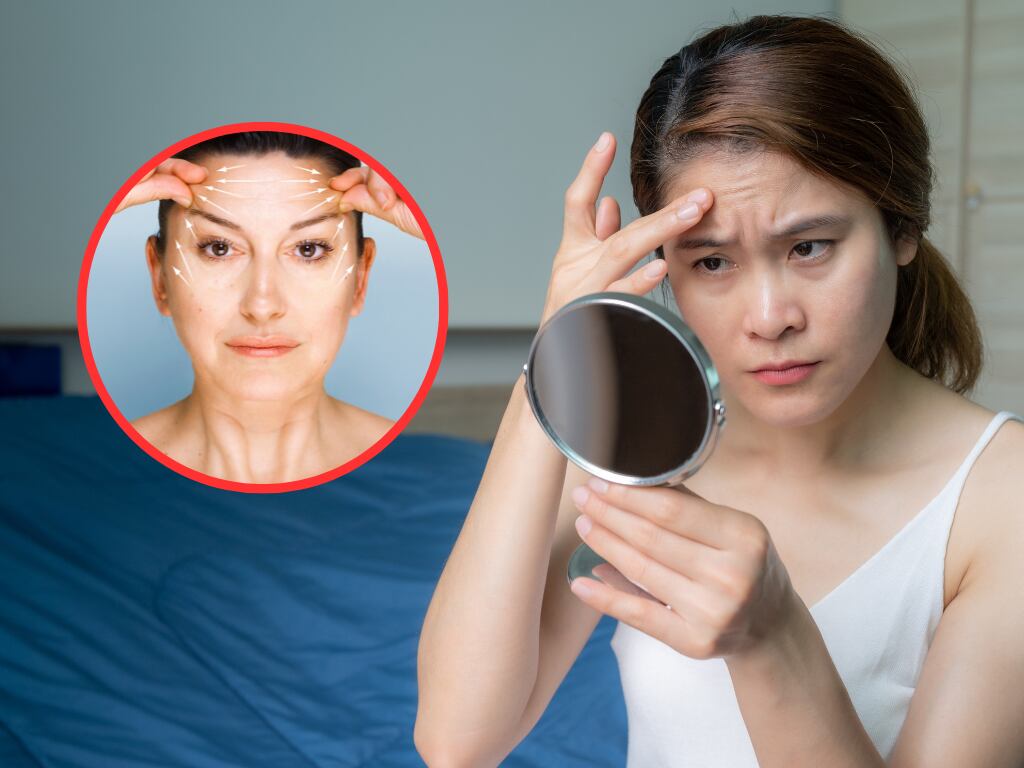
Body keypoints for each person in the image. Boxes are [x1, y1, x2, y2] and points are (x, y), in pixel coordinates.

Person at [415, 14, 1024, 767]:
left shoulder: (1004, 498)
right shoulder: (640, 445)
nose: (769, 319)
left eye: (809, 247)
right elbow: (456, 740)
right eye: (710, 263)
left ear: (901, 229)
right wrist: (558, 344)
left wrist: (772, 639)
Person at [115, 130, 422, 484]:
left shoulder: (439, 478)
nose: (262, 305)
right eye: (218, 248)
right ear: (159, 276)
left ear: (361, 277)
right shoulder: (86, 472)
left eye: (309, 249)